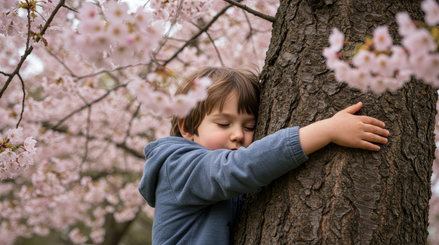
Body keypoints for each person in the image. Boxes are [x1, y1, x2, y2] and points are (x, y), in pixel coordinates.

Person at [138, 67, 390, 245]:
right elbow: (237, 167)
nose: (238, 135)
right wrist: (327, 130)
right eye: (224, 124)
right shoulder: (177, 165)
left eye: (249, 127)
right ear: (187, 128)